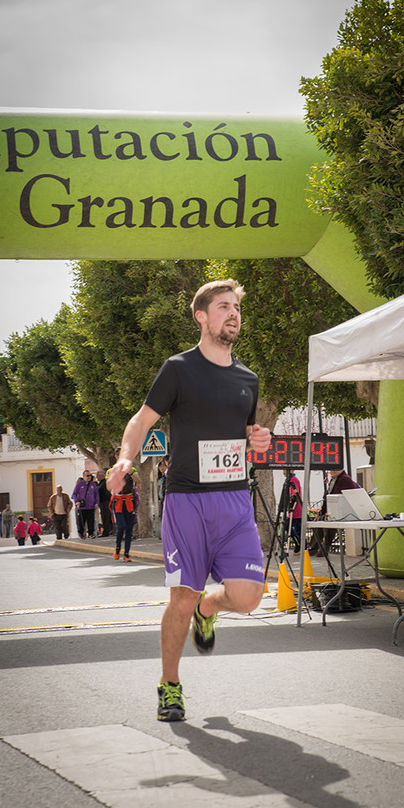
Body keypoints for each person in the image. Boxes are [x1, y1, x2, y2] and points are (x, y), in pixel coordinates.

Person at [108, 279, 271, 723]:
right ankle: (170, 686)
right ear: (201, 316)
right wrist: (125, 460)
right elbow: (141, 420)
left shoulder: (247, 379)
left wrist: (256, 439)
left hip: (236, 501)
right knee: (181, 597)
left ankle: (209, 607)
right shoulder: (178, 369)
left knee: (249, 598)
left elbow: (243, 433)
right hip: (188, 502)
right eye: (224, 307)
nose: (233, 314)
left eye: (237, 307)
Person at [109, 465, 141, 561]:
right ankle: (118, 548)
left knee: (129, 529)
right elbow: (108, 486)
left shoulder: (132, 469)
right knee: (121, 526)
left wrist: (129, 472)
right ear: (116, 457)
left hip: (129, 500)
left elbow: (138, 481)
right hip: (118, 500)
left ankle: (126, 554)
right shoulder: (112, 470)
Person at [71, 471, 99, 539]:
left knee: (91, 520)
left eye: (89, 475)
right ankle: (81, 533)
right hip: (82, 506)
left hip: (91, 506)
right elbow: (74, 493)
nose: (88, 477)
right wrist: (77, 501)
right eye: (87, 475)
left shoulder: (93, 484)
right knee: (81, 521)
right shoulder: (79, 484)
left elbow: (96, 494)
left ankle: (91, 533)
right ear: (83, 476)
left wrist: (97, 502)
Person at [286, 469, 303, 554]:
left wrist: (289, 506)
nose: (284, 472)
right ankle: (300, 546)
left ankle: (298, 543)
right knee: (298, 529)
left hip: (295, 509)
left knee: (287, 525)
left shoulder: (293, 480)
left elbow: (294, 494)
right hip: (296, 508)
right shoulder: (290, 479)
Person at [95, 470, 113, 537]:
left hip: (105, 502)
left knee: (106, 517)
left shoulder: (104, 482)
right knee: (104, 517)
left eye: (97, 476)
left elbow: (98, 489)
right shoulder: (101, 483)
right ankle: (106, 531)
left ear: (101, 476)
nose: (96, 477)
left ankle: (106, 532)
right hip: (103, 502)